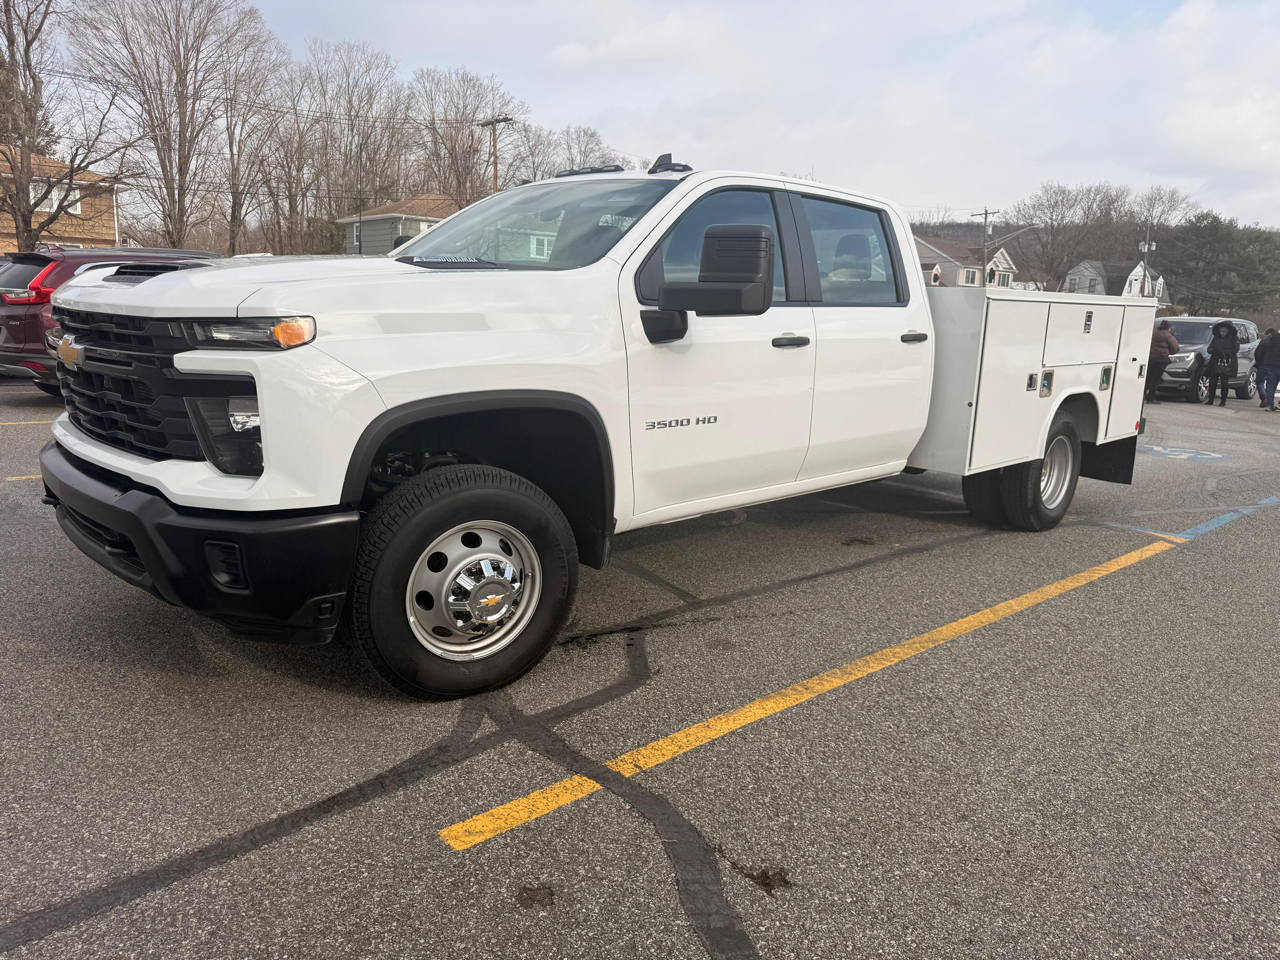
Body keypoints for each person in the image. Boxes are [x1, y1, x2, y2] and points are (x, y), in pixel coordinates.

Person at [1204, 320, 1239, 407]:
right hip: (1215, 362)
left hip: (1227, 362)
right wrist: (1214, 351)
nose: (1222, 333)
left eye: (1224, 332)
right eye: (1221, 332)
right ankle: (1210, 399)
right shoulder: (1216, 338)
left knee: (1224, 382)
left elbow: (1235, 350)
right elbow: (1209, 348)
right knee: (1212, 382)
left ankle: (1223, 400)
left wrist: (1223, 352)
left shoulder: (1234, 339)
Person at [1146, 319, 1179, 404]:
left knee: (1148, 377)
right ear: (1169, 328)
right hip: (1162, 359)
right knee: (1156, 379)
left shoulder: (1153, 334)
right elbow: (1175, 348)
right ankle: (1151, 397)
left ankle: (1142, 395)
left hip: (1151, 358)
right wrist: (1169, 352)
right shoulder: (1169, 336)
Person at [1255, 326, 1280, 412]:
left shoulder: (1273, 338)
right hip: (1273, 365)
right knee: (1270, 385)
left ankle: (1269, 404)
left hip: (1272, 365)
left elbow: (1265, 352)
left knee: (1270, 386)